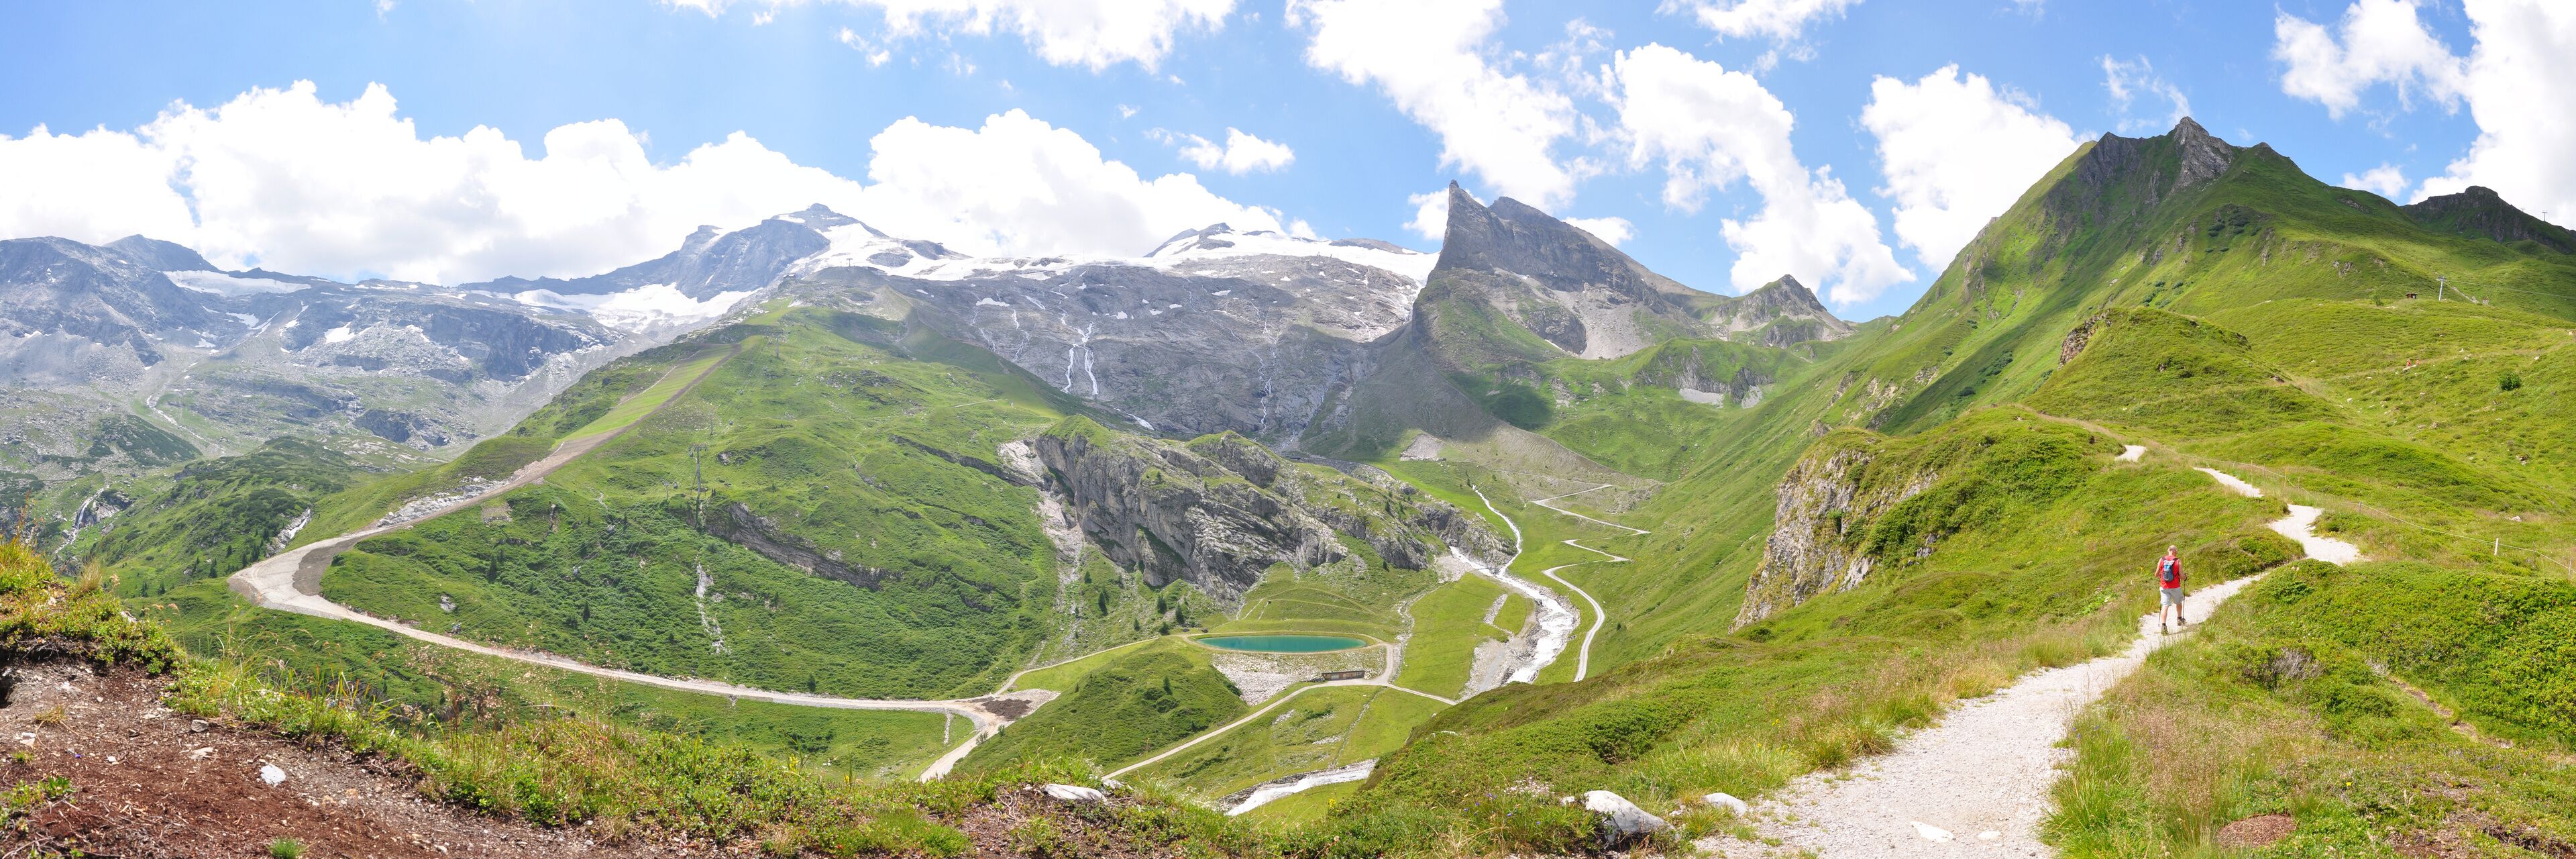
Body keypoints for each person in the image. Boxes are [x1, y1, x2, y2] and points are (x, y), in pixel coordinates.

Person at [2157, 546, 2186, 634]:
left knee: (2165, 606)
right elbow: (2182, 576)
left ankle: (2163, 626)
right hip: (2175, 586)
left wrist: (2161, 574)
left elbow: (2156, 574)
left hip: (2164, 587)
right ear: (2175, 551)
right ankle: (2179, 619)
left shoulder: (2161, 560)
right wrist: (2185, 577)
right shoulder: (2178, 561)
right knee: (2178, 602)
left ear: (2168, 550)